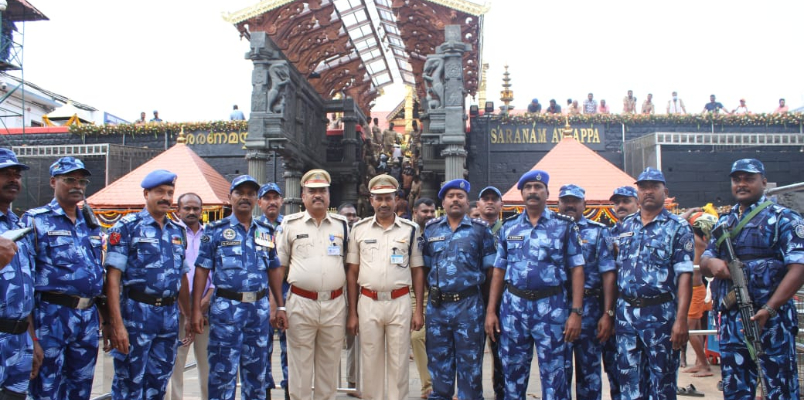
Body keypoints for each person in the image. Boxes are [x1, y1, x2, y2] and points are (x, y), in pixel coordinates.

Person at [701, 159, 804, 400]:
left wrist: (769, 308)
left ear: (764, 182)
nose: (742, 184)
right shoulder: (725, 222)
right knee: (735, 389)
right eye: (737, 180)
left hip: (771, 320)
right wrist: (713, 264)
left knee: (779, 388)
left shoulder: (784, 219)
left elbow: (799, 267)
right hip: (732, 322)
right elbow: (705, 260)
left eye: (749, 178)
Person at [485, 171, 584, 400]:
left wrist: (576, 312)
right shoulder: (509, 228)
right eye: (528, 187)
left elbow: (577, 269)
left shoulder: (564, 226)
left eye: (538, 187)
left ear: (547, 193)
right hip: (514, 309)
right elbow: (499, 271)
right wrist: (491, 311)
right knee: (512, 375)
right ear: (521, 193)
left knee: (555, 376)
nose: (532, 191)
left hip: (552, 308)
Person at [192, 175, 285, 400]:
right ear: (230, 197)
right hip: (226, 311)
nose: (245, 197)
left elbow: (273, 268)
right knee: (222, 374)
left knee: (257, 374)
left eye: (250, 194)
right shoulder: (214, 230)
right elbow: (202, 270)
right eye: (239, 193)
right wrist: (196, 309)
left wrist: (280, 306)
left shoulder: (265, 230)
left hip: (258, 311)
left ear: (255, 199)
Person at [104, 169, 193, 400]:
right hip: (136, 314)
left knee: (158, 382)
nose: (166, 197)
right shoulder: (127, 227)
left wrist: (189, 315)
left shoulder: (177, 231)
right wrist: (117, 325)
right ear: (146, 193)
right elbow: (112, 279)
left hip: (168, 317)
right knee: (129, 382)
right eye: (160, 192)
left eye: (170, 193)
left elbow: (181, 277)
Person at [24, 157, 104, 400]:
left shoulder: (90, 224)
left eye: (82, 181)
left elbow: (96, 273)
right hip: (51, 316)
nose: (77, 185)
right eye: (69, 179)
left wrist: (106, 320)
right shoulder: (36, 220)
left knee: (81, 387)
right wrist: (31, 337)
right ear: (53, 182)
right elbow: (26, 280)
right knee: (46, 388)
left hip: (87, 319)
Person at [613, 167, 694, 400]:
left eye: (654, 187)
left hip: (661, 315)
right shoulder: (625, 226)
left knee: (663, 382)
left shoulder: (677, 227)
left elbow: (685, 276)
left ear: (664, 191)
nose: (648, 191)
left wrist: (681, 321)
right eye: (643, 187)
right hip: (626, 315)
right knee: (629, 381)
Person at [346, 175, 425, 400]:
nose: (383, 203)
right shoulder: (359, 229)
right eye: (378, 199)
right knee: (370, 360)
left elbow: (417, 270)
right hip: (368, 301)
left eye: (388, 198)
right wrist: (352, 312)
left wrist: (418, 309)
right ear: (371, 200)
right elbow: (352, 272)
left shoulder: (409, 229)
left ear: (395, 199)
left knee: (399, 360)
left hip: (399, 301)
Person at [277, 169, 350, 400]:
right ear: (303, 195)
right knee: (299, 366)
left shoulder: (343, 226)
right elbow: (279, 268)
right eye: (312, 191)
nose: (318, 195)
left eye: (322, 191)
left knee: (329, 367)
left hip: (335, 303)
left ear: (329, 195)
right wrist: (277, 306)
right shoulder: (289, 224)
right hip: (300, 302)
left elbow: (349, 268)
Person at [421, 179, 495, 400]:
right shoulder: (431, 229)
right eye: (450, 196)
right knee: (438, 363)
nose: (455, 199)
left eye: (460, 196)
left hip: (468, 307)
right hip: (438, 308)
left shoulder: (480, 231)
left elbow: (490, 270)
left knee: (470, 365)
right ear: (442, 202)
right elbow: (424, 267)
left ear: (467, 202)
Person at [558, 184, 616, 400]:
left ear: (584, 204)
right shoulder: (552, 229)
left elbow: (608, 274)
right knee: (557, 373)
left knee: (589, 373)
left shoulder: (598, 232)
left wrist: (607, 313)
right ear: (558, 204)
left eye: (575, 201)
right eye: (566, 201)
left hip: (591, 310)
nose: (570, 205)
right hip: (557, 306)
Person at [166, 193, 211, 400]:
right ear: (178, 210)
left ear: (202, 211)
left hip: (206, 310)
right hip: (177, 311)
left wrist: (203, 303)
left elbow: (219, 273)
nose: (192, 212)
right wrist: (186, 307)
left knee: (208, 366)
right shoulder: (168, 234)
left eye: (196, 208)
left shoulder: (211, 235)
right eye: (187, 208)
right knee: (175, 366)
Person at [0, 149, 36, 400]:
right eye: (5, 174)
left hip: (20, 340)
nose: (13, 179)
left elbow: (27, 289)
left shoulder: (19, 225)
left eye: (17, 174)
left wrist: (33, 339)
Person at [604, 185, 639, 400]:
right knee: (616, 368)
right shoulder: (608, 235)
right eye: (617, 202)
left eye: (626, 201)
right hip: (615, 312)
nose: (621, 206)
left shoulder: (645, 231)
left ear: (637, 202)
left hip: (644, 311)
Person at [258, 183, 290, 399]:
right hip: (260, 300)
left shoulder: (290, 226)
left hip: (288, 296)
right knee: (261, 350)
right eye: (266, 198)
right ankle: (265, 391)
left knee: (289, 350)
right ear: (259, 202)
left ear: (282, 201)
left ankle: (290, 390)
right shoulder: (253, 227)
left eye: (275, 197)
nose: (271, 202)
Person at [677, 209, 716, 378]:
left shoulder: (695, 240)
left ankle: (705, 366)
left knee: (691, 329)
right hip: (694, 289)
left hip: (694, 290)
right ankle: (700, 362)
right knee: (698, 328)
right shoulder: (700, 241)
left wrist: (690, 212)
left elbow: (679, 221)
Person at [476, 186, 504, 400]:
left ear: (501, 205)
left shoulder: (508, 231)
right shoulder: (469, 230)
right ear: (478, 205)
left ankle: (500, 393)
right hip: (473, 300)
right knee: (472, 353)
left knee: (501, 353)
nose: (490, 202)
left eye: (495, 199)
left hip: (502, 302)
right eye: (486, 199)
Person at [410, 198, 435, 399]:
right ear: (415, 212)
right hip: (411, 291)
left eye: (432, 211)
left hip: (435, 291)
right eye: (424, 211)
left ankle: (439, 384)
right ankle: (427, 385)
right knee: (417, 336)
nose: (428, 215)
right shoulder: (407, 230)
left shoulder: (438, 231)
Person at [337, 202, 360, 396]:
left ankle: (353, 381)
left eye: (353, 215)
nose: (350, 218)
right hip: (334, 291)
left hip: (356, 292)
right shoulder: (334, 235)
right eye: (346, 215)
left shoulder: (362, 234)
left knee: (355, 339)